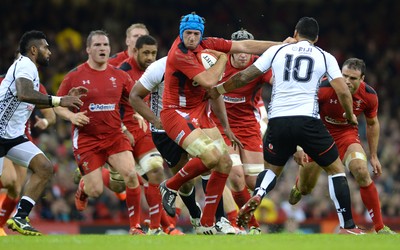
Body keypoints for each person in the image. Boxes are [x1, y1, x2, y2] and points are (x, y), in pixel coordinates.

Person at [209, 17, 364, 235]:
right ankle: (347, 226)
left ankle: (259, 194)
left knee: (271, 170)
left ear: (295, 32)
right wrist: (350, 115)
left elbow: (245, 76)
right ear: (316, 38)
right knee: (336, 169)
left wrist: (219, 90)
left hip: (278, 120)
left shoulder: (278, 51)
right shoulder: (324, 56)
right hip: (307, 119)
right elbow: (342, 90)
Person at [158, 12, 294, 235]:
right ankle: (170, 186)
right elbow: (210, 82)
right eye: (187, 33)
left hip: (201, 114)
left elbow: (246, 46)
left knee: (225, 164)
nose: (191, 38)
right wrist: (222, 57)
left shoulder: (207, 44)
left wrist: (281, 46)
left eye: (195, 34)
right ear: (180, 33)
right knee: (211, 158)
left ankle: (208, 222)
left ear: (201, 34)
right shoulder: (179, 54)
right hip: (176, 114)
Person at [130, 56, 241, 235]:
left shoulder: (205, 63)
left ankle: (219, 220)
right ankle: (196, 215)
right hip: (165, 129)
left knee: (217, 161)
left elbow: (215, 93)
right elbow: (134, 96)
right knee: (187, 184)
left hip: (198, 120)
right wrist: (154, 120)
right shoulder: (159, 68)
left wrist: (225, 126)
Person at [288, 58, 396, 234]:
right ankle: (299, 186)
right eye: (344, 75)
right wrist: (300, 147)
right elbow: (304, 117)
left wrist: (374, 156)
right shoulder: (323, 88)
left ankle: (379, 227)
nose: (346, 81)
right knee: (306, 189)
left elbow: (372, 123)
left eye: (353, 78)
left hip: (346, 137)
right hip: (318, 136)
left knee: (362, 170)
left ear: (362, 79)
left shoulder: (369, 95)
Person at [54, 30, 144, 235]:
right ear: (88, 49)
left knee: (131, 175)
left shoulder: (120, 76)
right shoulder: (74, 76)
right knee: (96, 191)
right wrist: (72, 117)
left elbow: (135, 99)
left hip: (114, 136)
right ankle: (84, 188)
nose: (102, 48)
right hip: (87, 139)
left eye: (105, 45)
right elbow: (58, 105)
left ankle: (135, 227)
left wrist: (139, 114)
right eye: (97, 45)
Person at [0, 30, 84, 236]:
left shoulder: (33, 73)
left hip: (11, 137)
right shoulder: (24, 64)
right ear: (34, 49)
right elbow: (24, 93)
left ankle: (20, 217)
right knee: (9, 181)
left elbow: (41, 104)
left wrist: (59, 102)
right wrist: (59, 100)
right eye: (46, 47)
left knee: (44, 167)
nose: (50, 52)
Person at [209, 28, 273, 234]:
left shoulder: (260, 66)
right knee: (236, 177)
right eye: (240, 49)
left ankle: (241, 220)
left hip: (248, 126)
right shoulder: (218, 63)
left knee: (253, 182)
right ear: (232, 51)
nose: (245, 53)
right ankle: (250, 225)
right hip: (222, 125)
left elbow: (277, 83)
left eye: (249, 49)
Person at [118, 35, 182, 235]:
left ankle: (156, 228)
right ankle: (136, 225)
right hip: (122, 133)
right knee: (125, 179)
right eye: (145, 52)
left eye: (153, 53)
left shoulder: (159, 70)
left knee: (155, 171)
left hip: (147, 130)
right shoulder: (122, 72)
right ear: (135, 51)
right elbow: (111, 105)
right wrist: (121, 128)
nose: (150, 57)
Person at [0, 77, 56, 236]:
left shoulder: (38, 86)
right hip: (3, 138)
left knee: (16, 188)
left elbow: (51, 114)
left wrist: (45, 122)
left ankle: (0, 226)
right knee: (8, 179)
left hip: (23, 139)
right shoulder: (3, 82)